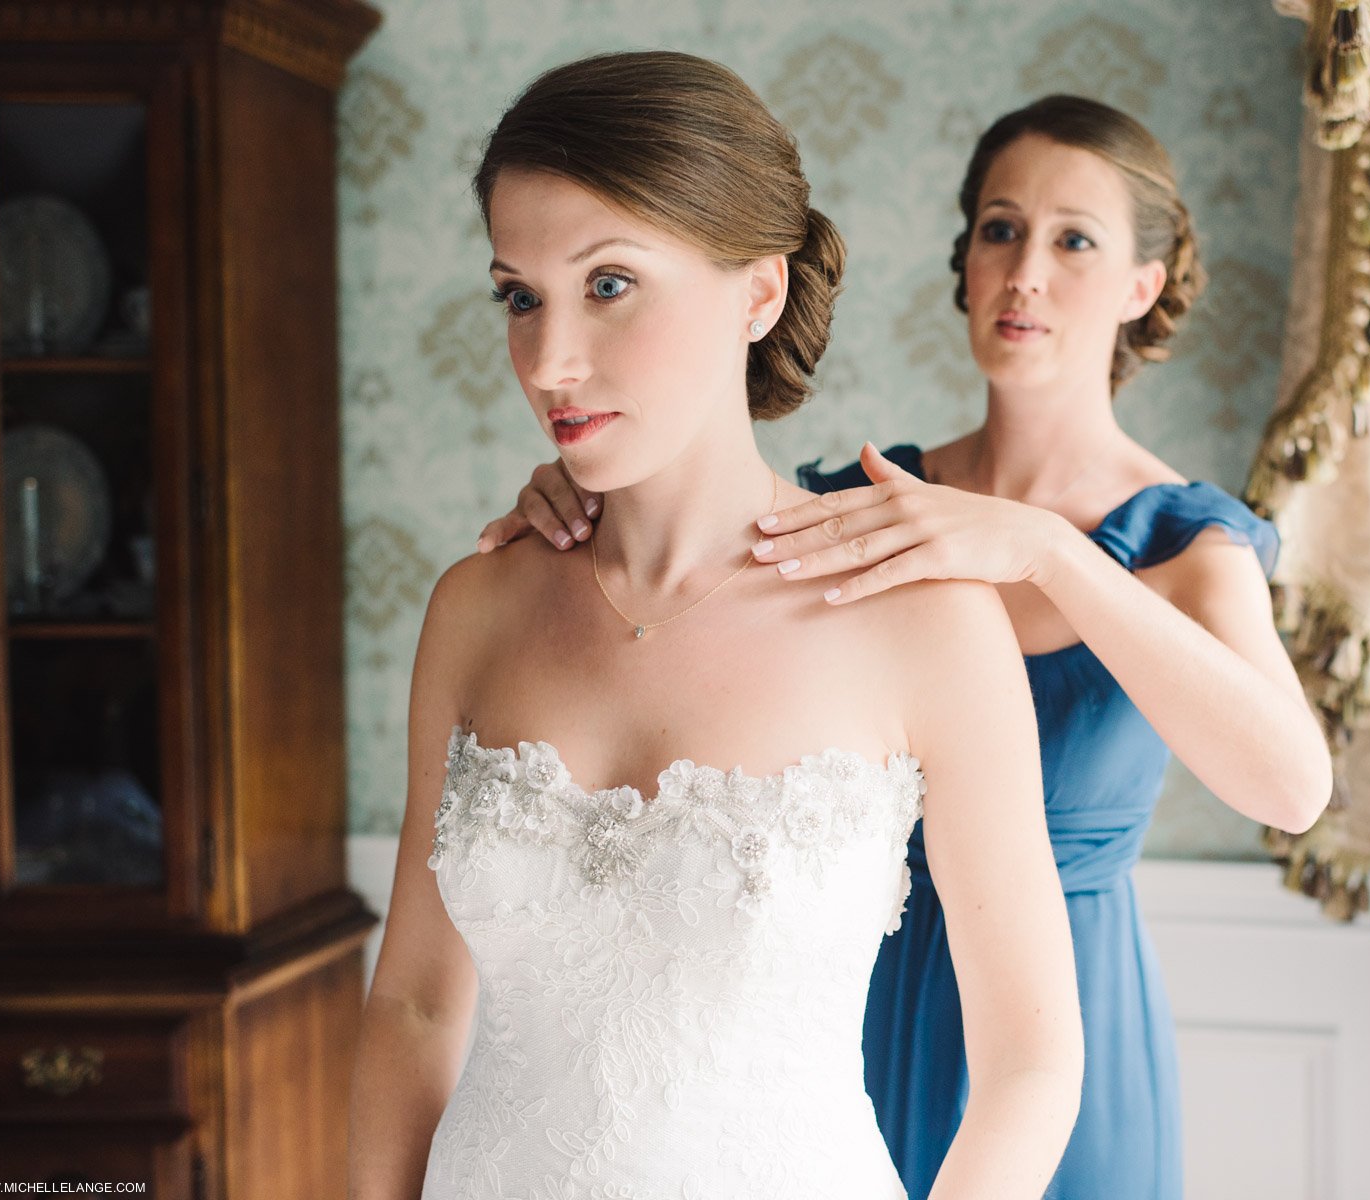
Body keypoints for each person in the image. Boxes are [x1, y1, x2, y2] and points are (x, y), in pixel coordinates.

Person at [482, 93, 1334, 1199]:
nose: (1026, 270)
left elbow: (1292, 786)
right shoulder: (862, 506)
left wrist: (1046, 554)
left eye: (1074, 239)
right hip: (841, 1021)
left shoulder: (1185, 543)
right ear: (966, 264)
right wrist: (587, 481)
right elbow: (691, 536)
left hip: (1064, 1031)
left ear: (1143, 287)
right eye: (999, 227)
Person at [349, 52, 1084, 1200]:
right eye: (519, 295)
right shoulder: (477, 607)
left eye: (609, 284)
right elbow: (413, 1001)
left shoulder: (925, 621)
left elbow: (1032, 1063)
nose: (548, 360)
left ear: (758, 291)